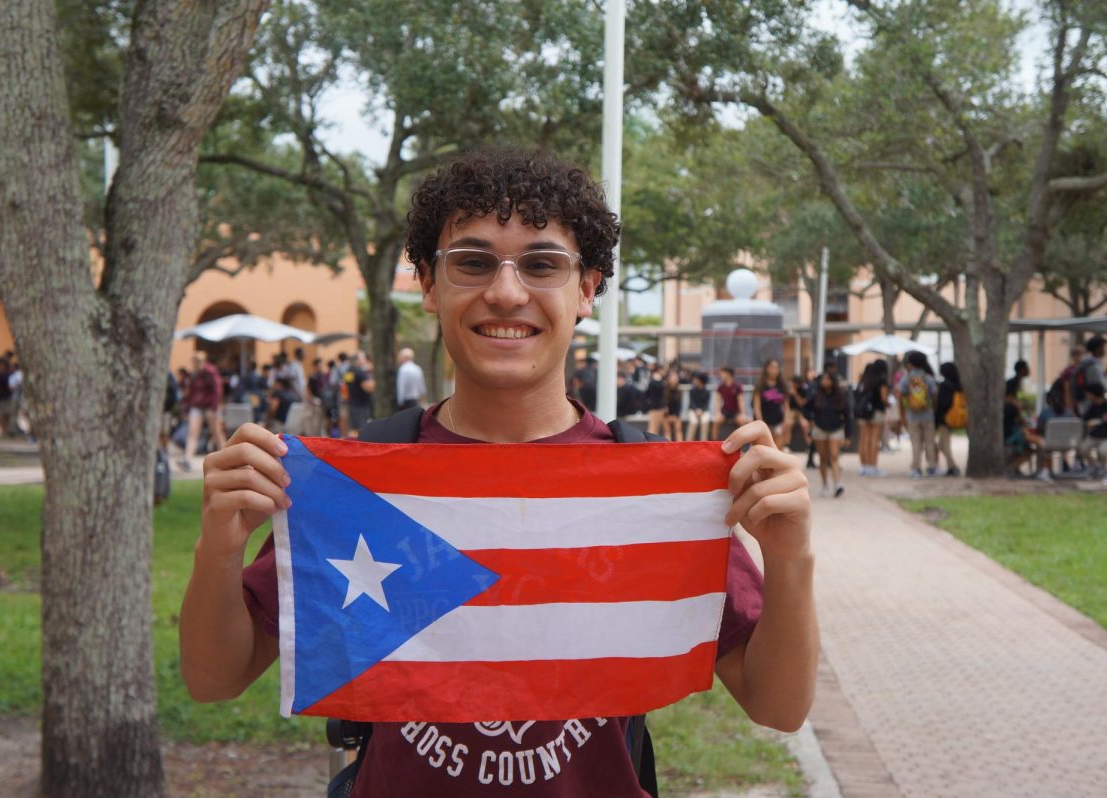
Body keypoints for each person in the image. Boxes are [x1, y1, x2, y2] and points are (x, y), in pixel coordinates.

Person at [179, 149, 817, 797]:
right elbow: (214, 679)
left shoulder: (651, 487)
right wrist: (219, 547)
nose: (506, 291)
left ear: (588, 289)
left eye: (543, 264)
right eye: (472, 261)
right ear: (429, 284)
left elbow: (777, 707)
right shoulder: (360, 482)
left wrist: (791, 561)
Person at [178, 353, 227, 470]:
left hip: (210, 406)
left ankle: (227, 458)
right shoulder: (194, 374)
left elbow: (217, 389)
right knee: (192, 433)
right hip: (197, 406)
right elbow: (191, 392)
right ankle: (187, 459)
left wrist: (214, 408)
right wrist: (186, 408)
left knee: (217, 433)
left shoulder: (210, 371)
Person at [897, 350, 938, 478]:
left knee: (916, 443)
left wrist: (903, 414)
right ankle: (932, 467)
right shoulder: (929, 378)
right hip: (928, 415)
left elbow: (901, 396)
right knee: (929, 442)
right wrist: (933, 409)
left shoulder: (906, 379)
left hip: (912, 415)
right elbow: (935, 395)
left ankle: (916, 468)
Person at [810, 370, 851, 498]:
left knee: (834, 456)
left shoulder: (841, 396)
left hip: (836, 429)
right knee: (823, 458)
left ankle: (837, 483)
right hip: (820, 429)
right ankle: (824, 484)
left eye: (828, 379)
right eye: (823, 379)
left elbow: (848, 416)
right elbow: (806, 408)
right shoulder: (816, 395)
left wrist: (848, 435)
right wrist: (812, 420)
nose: (825, 381)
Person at [855, 360, 889, 477]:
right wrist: (888, 403)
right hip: (877, 412)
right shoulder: (881, 380)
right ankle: (872, 466)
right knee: (874, 440)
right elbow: (883, 398)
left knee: (863, 440)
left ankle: (864, 466)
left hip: (864, 412)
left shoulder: (864, 379)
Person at [933, 362, 964, 477]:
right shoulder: (958, 385)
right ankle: (951, 465)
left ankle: (952, 467)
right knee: (943, 444)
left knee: (944, 444)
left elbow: (942, 403)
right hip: (954, 416)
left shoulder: (945, 386)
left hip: (944, 417)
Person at [752, 359, 789, 451]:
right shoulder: (760, 385)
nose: (775, 370)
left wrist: (784, 423)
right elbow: (757, 407)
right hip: (764, 421)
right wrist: (762, 424)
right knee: (765, 451)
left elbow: (786, 407)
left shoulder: (782, 385)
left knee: (777, 451)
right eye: (772, 367)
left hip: (778, 422)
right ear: (766, 369)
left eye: (777, 368)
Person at [1078, 383, 1107, 481]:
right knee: (1083, 449)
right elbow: (1085, 420)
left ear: (1094, 394)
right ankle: (1094, 466)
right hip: (1094, 435)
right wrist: (1090, 423)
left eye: (1088, 394)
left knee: (1103, 451)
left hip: (1105, 437)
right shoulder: (1092, 406)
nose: (1087, 396)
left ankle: (1103, 469)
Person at [710, 366, 748, 440]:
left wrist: (742, 413)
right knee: (716, 421)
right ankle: (713, 443)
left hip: (735, 412)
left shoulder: (737, 386)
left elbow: (741, 401)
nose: (721, 375)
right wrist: (718, 413)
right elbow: (717, 401)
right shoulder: (721, 387)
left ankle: (743, 446)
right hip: (725, 412)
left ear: (728, 374)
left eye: (722, 373)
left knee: (742, 422)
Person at [344, 350, 375, 436]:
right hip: (361, 405)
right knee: (361, 429)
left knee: (353, 428)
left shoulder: (349, 371)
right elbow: (369, 388)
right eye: (364, 358)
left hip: (352, 403)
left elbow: (346, 385)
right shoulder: (360, 372)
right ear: (358, 360)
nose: (366, 360)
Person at [1075, 336, 1106, 416]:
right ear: (1097, 348)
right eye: (1103, 346)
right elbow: (1099, 387)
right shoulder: (1093, 366)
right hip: (1091, 407)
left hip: (1086, 405)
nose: (1104, 349)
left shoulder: (1088, 364)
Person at [686, 372, 711, 441]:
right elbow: (692, 403)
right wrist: (696, 410)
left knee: (704, 421)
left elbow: (706, 404)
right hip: (693, 410)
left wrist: (701, 410)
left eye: (696, 379)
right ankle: (688, 442)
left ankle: (703, 442)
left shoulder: (707, 391)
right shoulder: (692, 390)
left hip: (704, 410)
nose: (694, 381)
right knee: (694, 422)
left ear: (700, 380)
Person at [661, 368, 684, 441]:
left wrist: (675, 415)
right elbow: (663, 404)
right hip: (666, 415)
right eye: (673, 378)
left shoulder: (679, 391)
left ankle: (681, 447)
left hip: (676, 415)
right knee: (667, 431)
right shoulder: (664, 390)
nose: (674, 379)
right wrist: (668, 415)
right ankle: (668, 447)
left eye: (676, 378)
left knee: (678, 430)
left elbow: (679, 406)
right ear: (668, 379)